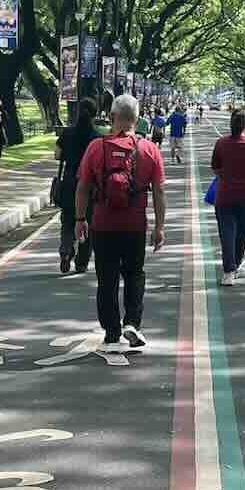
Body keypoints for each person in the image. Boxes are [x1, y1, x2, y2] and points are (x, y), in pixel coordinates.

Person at [75, 94, 167, 352]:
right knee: (135, 275)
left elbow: (82, 187)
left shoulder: (96, 147)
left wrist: (80, 219)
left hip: (102, 224)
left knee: (106, 279)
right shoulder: (150, 150)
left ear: (112, 116)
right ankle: (132, 323)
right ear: (137, 119)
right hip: (135, 225)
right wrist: (159, 227)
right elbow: (159, 192)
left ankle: (112, 331)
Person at [211, 110, 245, 286]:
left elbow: (215, 167)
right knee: (242, 232)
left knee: (227, 233)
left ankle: (229, 271)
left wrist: (228, 175)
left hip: (225, 195)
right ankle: (236, 265)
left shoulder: (221, 143)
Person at [55, 99, 98, 275]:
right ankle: (81, 261)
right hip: (89, 185)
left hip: (69, 181)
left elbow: (57, 155)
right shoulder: (97, 137)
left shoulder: (67, 133)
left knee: (67, 219)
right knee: (87, 221)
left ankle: (66, 250)